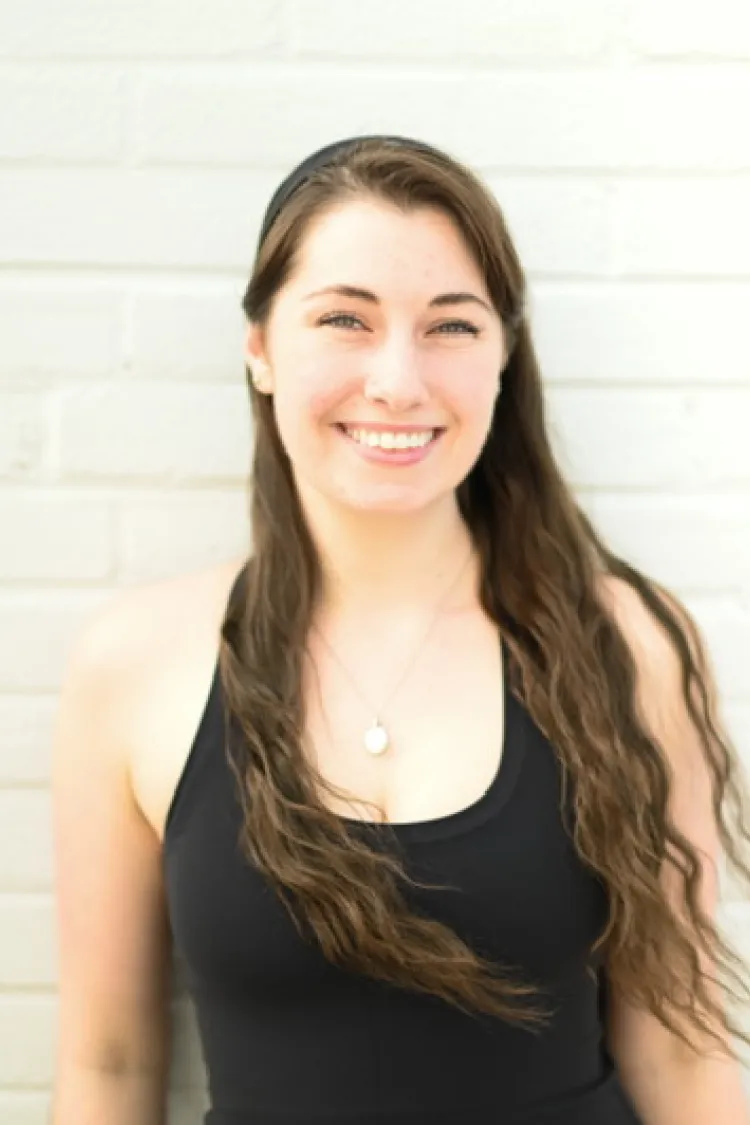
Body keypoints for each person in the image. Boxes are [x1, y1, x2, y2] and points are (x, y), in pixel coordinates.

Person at [50, 134, 750, 1125]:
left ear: (502, 356)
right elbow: (109, 1064)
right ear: (259, 349)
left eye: (450, 328)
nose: (397, 382)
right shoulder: (135, 665)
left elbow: (683, 1050)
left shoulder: (630, 645)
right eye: (345, 318)